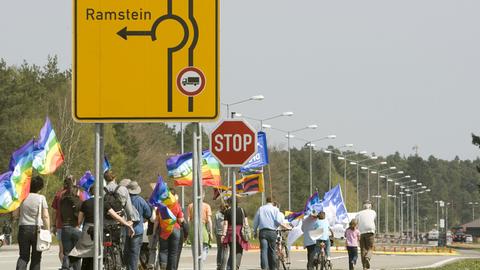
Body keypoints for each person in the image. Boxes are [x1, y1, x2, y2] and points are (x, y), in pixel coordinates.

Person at [70, 185, 134, 270]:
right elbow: (116, 216)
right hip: (100, 230)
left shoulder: (85, 203)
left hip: (88, 231)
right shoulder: (103, 203)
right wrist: (127, 224)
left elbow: (79, 221)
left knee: (86, 254)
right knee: (98, 252)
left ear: (90, 192)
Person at [15, 175, 50, 270]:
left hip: (23, 228)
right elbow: (45, 216)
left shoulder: (22, 197)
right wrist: (48, 230)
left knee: (23, 256)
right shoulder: (41, 198)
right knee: (36, 258)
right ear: (40, 187)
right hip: (37, 229)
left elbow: (15, 215)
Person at [124, 181, 152, 270]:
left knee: (127, 252)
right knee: (134, 253)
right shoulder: (141, 200)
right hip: (137, 230)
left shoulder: (124, 199)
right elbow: (148, 214)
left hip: (126, 229)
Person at [253, 197, 284, 270]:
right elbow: (278, 221)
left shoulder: (261, 209)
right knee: (272, 250)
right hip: (272, 232)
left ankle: (264, 267)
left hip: (263, 232)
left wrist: (254, 231)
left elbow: (256, 221)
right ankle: (273, 267)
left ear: (266, 201)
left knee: (263, 250)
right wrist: (276, 226)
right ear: (273, 202)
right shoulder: (276, 209)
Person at [158, 189, 185, 270]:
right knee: (173, 252)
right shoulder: (177, 205)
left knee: (163, 250)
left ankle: (163, 266)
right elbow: (180, 220)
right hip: (175, 229)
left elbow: (157, 219)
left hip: (164, 230)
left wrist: (155, 230)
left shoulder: (161, 205)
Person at [59, 177, 82, 270]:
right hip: (76, 227)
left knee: (66, 253)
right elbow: (81, 214)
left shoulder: (62, 199)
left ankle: (65, 268)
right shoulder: (78, 201)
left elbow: (60, 214)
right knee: (76, 253)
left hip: (65, 227)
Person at [221, 199, 249, 270]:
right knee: (239, 251)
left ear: (230, 203)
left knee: (232, 252)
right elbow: (246, 223)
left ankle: (229, 268)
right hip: (240, 233)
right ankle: (236, 267)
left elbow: (225, 224)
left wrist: (223, 235)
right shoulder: (242, 210)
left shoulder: (227, 211)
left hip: (231, 233)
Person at [52, 176, 73, 264]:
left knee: (62, 250)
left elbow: (54, 212)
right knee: (72, 249)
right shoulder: (77, 193)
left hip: (60, 225)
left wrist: (54, 225)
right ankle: (72, 266)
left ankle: (64, 266)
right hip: (73, 225)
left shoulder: (58, 194)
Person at [187, 193, 213, 262]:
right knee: (204, 247)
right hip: (203, 228)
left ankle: (197, 263)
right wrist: (211, 232)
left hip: (193, 228)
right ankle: (200, 262)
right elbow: (209, 221)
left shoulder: (190, 206)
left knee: (194, 248)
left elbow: (188, 220)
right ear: (203, 195)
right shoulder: (207, 206)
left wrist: (189, 231)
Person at [355, 200, 376, 270]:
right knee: (370, 247)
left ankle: (364, 266)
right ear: (370, 206)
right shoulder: (373, 212)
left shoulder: (358, 213)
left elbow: (356, 222)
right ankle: (368, 257)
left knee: (363, 249)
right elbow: (372, 219)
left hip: (361, 232)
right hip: (370, 231)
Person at [214, 202, 229, 270]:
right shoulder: (229, 215)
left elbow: (215, 226)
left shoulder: (217, 215)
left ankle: (219, 264)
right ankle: (223, 266)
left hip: (218, 234)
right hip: (226, 234)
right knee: (225, 251)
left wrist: (215, 233)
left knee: (219, 250)